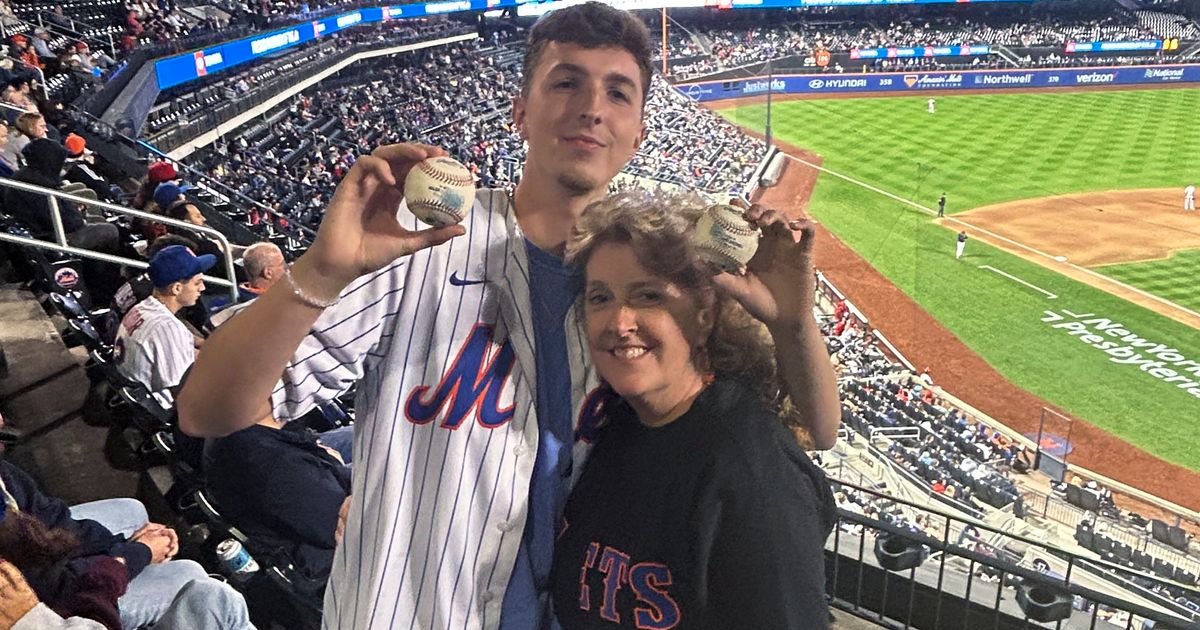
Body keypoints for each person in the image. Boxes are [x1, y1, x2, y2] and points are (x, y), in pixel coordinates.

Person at [178, 3, 840, 628]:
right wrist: (319, 272)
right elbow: (208, 412)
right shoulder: (419, 247)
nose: (590, 109)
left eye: (618, 92)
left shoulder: (638, 286)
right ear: (520, 113)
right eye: (566, 84)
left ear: (639, 132)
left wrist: (792, 324)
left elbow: (816, 426)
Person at [553, 191, 835, 628]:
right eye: (600, 297)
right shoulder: (616, 422)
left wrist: (794, 323)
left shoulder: (750, 469)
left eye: (648, 296)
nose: (619, 322)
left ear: (704, 315)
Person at [114, 245, 214, 392]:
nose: (202, 288)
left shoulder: (143, 307)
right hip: (160, 406)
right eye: (197, 283)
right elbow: (181, 390)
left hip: (133, 389)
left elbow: (185, 343)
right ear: (176, 288)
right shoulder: (166, 328)